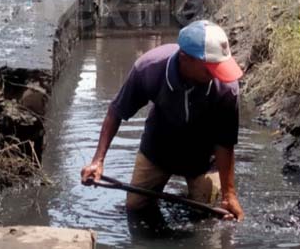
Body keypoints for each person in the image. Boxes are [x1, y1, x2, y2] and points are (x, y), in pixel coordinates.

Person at [81, 20, 245, 222]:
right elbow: (116, 112)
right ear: (185, 58)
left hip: (203, 157)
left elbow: (225, 142)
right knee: (135, 207)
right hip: (158, 149)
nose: (216, 75)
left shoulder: (226, 88)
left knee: (208, 218)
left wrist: (230, 195)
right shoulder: (149, 69)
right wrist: (98, 161)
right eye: (210, 69)